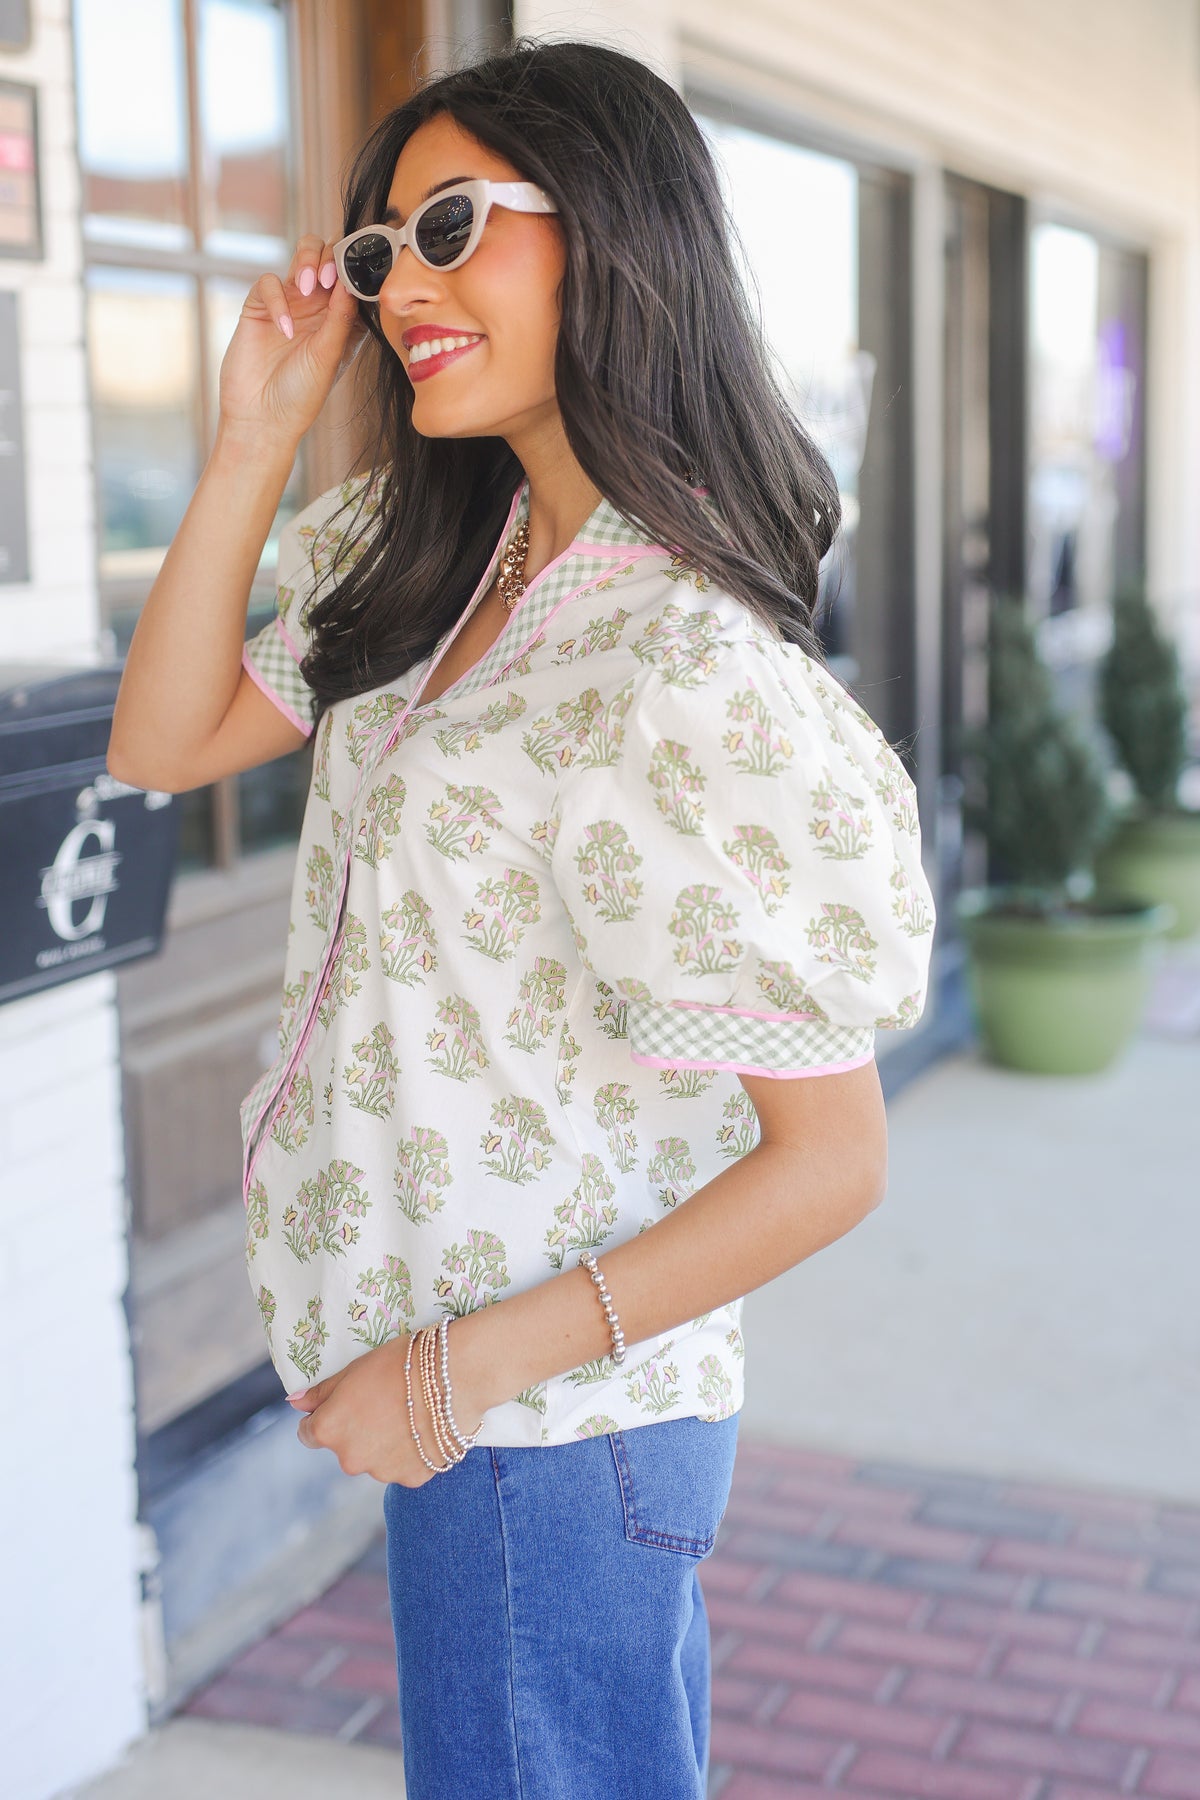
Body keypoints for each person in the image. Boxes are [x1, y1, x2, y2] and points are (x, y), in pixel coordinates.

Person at [108, 35, 936, 1800]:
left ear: (617, 236)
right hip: (468, 1405)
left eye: (456, 225)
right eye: (379, 245)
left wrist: (453, 1372)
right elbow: (164, 740)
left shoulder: (692, 667)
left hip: (556, 1421)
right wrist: (254, 436)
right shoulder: (415, 563)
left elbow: (830, 1160)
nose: (402, 283)